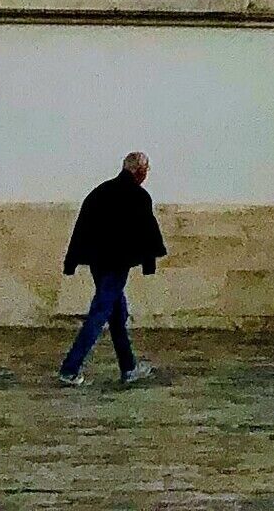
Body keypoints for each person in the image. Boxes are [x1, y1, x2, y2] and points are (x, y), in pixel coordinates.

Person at [59, 151, 167, 388]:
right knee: (99, 313)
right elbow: (147, 232)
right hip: (117, 264)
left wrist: (72, 261)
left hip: (98, 262)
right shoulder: (138, 197)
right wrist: (149, 263)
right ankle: (70, 368)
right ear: (140, 171)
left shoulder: (100, 193)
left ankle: (128, 367)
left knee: (117, 315)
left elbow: (82, 228)